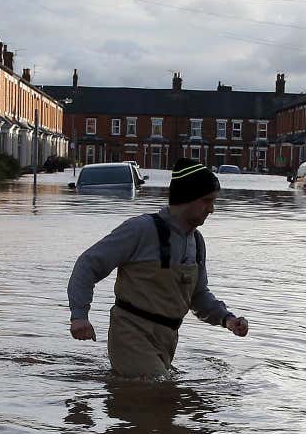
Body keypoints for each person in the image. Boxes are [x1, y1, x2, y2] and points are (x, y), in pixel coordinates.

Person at [68, 159, 249, 376]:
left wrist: (227, 319)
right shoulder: (141, 230)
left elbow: (198, 296)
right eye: (207, 200)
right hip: (130, 336)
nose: (212, 209)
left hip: (167, 340)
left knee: (162, 400)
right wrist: (79, 316)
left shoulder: (197, 242)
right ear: (186, 198)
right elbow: (87, 265)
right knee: (158, 394)